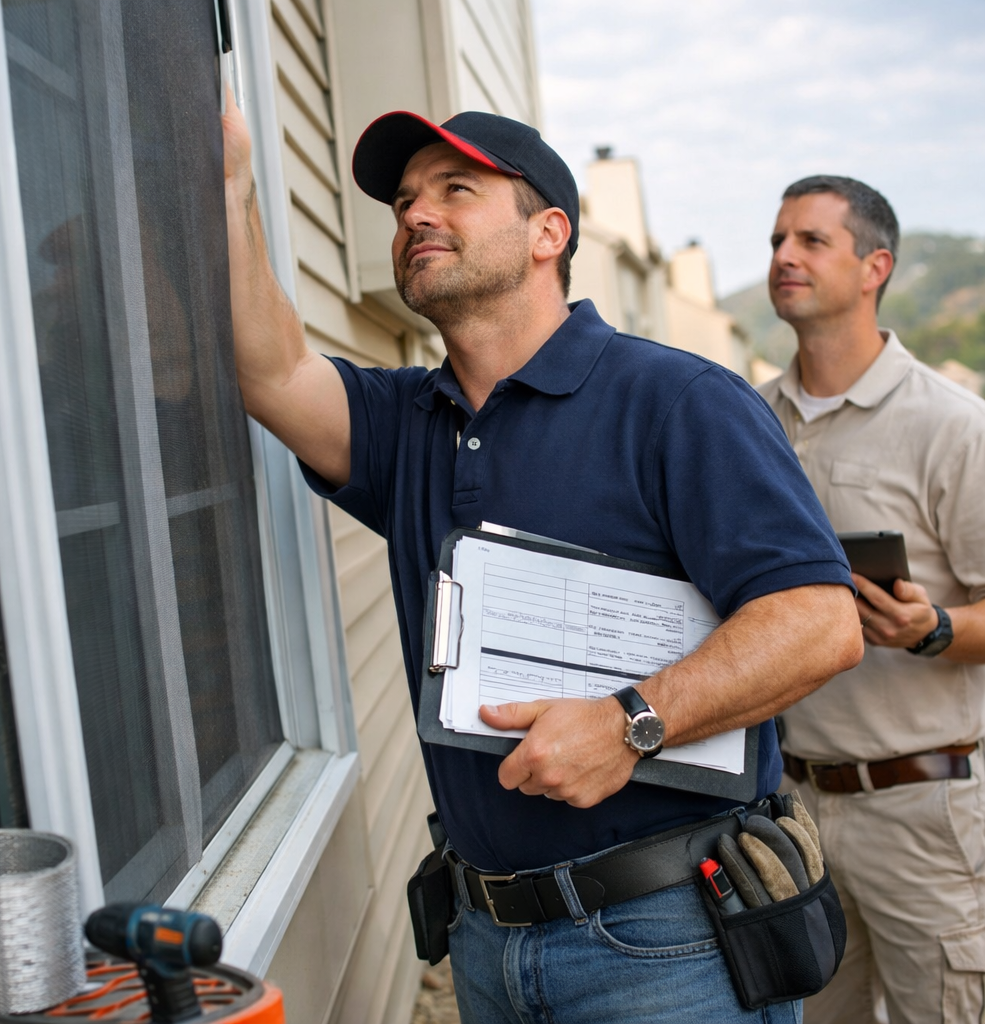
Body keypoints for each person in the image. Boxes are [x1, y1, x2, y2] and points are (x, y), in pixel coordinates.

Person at [223, 97, 863, 1023]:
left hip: (669, 946)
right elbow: (271, 373)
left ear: (547, 233)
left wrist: (629, 723)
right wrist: (235, 183)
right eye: (403, 201)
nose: (415, 215)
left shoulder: (678, 401)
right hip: (487, 941)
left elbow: (819, 621)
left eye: (457, 189)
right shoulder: (408, 425)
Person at [757, 175, 985, 1024]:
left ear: (874, 266)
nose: (784, 257)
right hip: (793, 811)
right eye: (778, 240)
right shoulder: (752, 422)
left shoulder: (952, 425)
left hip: (922, 813)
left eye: (811, 241)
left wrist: (932, 629)